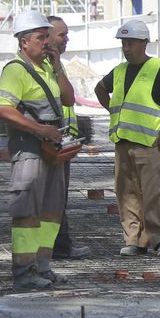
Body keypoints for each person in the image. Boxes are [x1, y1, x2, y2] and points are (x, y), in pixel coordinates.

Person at [0, 10, 77, 291]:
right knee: (27, 211)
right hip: (29, 149)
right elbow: (2, 109)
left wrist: (58, 66)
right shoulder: (16, 70)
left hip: (52, 148)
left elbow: (69, 99)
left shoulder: (49, 68)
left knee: (51, 211)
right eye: (41, 38)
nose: (47, 42)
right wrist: (39, 129)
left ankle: (42, 266)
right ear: (24, 42)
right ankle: (24, 270)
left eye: (47, 37)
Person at [96, 19, 160, 258]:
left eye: (131, 43)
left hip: (151, 143)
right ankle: (134, 240)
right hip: (123, 142)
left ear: (144, 43)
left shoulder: (159, 68)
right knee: (127, 194)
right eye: (124, 43)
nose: (126, 48)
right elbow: (100, 89)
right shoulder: (119, 71)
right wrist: (114, 111)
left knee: (155, 194)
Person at [46, 15, 91, 261]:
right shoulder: (34, 67)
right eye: (62, 34)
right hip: (46, 141)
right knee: (50, 198)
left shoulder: (55, 65)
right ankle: (54, 247)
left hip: (61, 141)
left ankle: (60, 245)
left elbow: (68, 98)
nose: (66, 39)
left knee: (59, 198)